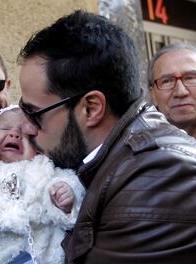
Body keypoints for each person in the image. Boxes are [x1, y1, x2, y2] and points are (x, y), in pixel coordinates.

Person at [17, 10, 196, 264]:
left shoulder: (157, 179)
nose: (25, 127)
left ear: (91, 108)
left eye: (34, 113)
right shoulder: (120, 158)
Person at [0, 106, 85, 264]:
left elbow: (67, 180)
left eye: (25, 134)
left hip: (44, 252)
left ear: (38, 148)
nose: (14, 134)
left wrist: (66, 195)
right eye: (5, 128)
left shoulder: (42, 166)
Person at [148, 42, 196, 138]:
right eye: (167, 81)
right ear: (152, 94)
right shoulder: (138, 150)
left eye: (190, 78)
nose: (181, 92)